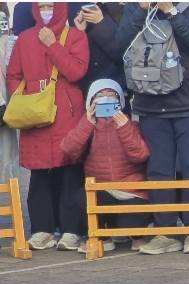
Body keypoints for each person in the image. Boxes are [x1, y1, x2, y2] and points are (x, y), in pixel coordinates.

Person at [117, 2, 189, 256]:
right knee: (158, 170)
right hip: (150, 102)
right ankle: (164, 231)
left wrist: (172, 11)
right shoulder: (136, 7)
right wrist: (140, 10)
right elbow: (120, 44)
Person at [7, 2, 89, 252]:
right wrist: (24, 99)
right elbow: (13, 75)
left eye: (51, 6)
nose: (46, 10)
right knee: (39, 175)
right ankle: (42, 229)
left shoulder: (74, 36)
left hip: (67, 114)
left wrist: (52, 45)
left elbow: (76, 71)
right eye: (41, 6)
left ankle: (71, 231)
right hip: (36, 115)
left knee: (69, 174)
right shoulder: (24, 39)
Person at [60, 79, 151, 254]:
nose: (106, 99)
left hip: (130, 190)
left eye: (111, 95)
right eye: (100, 96)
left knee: (133, 217)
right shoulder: (87, 126)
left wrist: (124, 126)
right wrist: (87, 122)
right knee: (83, 198)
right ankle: (102, 237)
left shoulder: (130, 124)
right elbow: (68, 150)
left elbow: (140, 155)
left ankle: (137, 236)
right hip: (102, 189)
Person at [72, 3, 124, 96]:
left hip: (114, 89)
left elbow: (124, 53)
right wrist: (81, 32)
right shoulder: (73, 6)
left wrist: (101, 22)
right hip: (85, 89)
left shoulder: (123, 7)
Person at [0, 6, 18, 185]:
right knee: (7, 158)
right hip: (5, 103)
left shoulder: (8, 41)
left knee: (8, 160)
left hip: (5, 105)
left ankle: (10, 202)